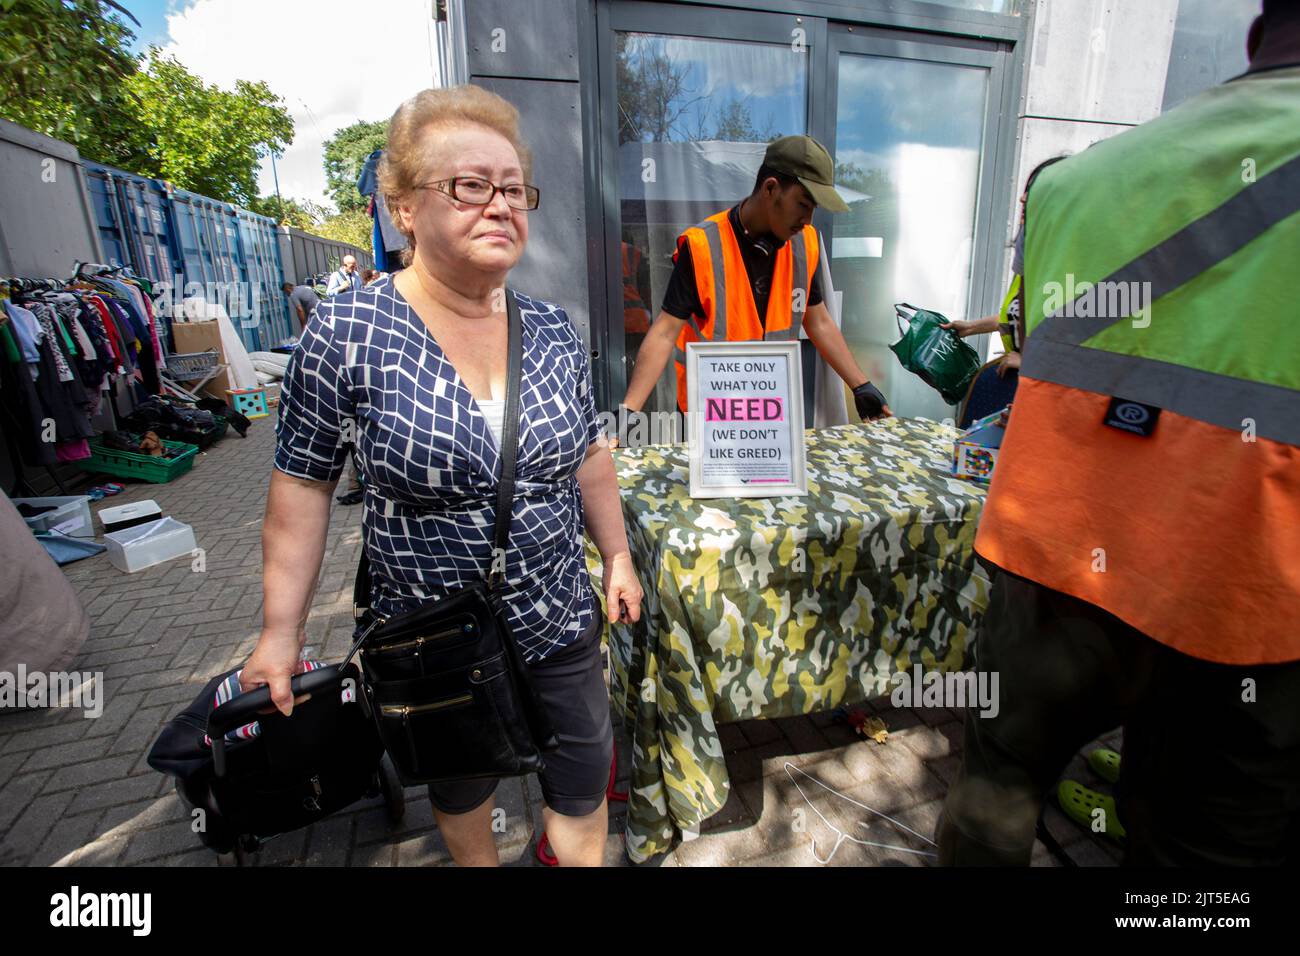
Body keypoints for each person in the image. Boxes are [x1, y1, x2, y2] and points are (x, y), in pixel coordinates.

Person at [241, 84, 644, 867]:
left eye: (514, 189)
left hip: (558, 613)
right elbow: (301, 485)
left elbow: (591, 452)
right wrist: (280, 634)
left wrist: (619, 556)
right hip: (433, 632)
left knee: (583, 776)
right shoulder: (348, 331)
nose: (500, 206)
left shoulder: (554, 329)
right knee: (463, 792)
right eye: (469, 186)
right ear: (402, 207)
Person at [937, 0, 1300, 866]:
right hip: (1250, 601)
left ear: (1257, 31)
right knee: (1194, 852)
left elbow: (1038, 355)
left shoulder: (1073, 186)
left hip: (1059, 560)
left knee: (995, 787)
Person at [619, 135, 891, 431]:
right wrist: (628, 413)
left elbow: (819, 321)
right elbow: (664, 333)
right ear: (771, 188)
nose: (808, 220)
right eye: (802, 204)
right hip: (709, 413)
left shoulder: (804, 245)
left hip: (769, 413)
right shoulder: (702, 247)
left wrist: (860, 385)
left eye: (814, 209)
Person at [938, 156, 1068, 379]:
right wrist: (969, 328)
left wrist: (1028, 362)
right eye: (1027, 188)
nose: (1022, 198)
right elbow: (1016, 316)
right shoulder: (1033, 258)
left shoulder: (1066, 263)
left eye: (1035, 189)